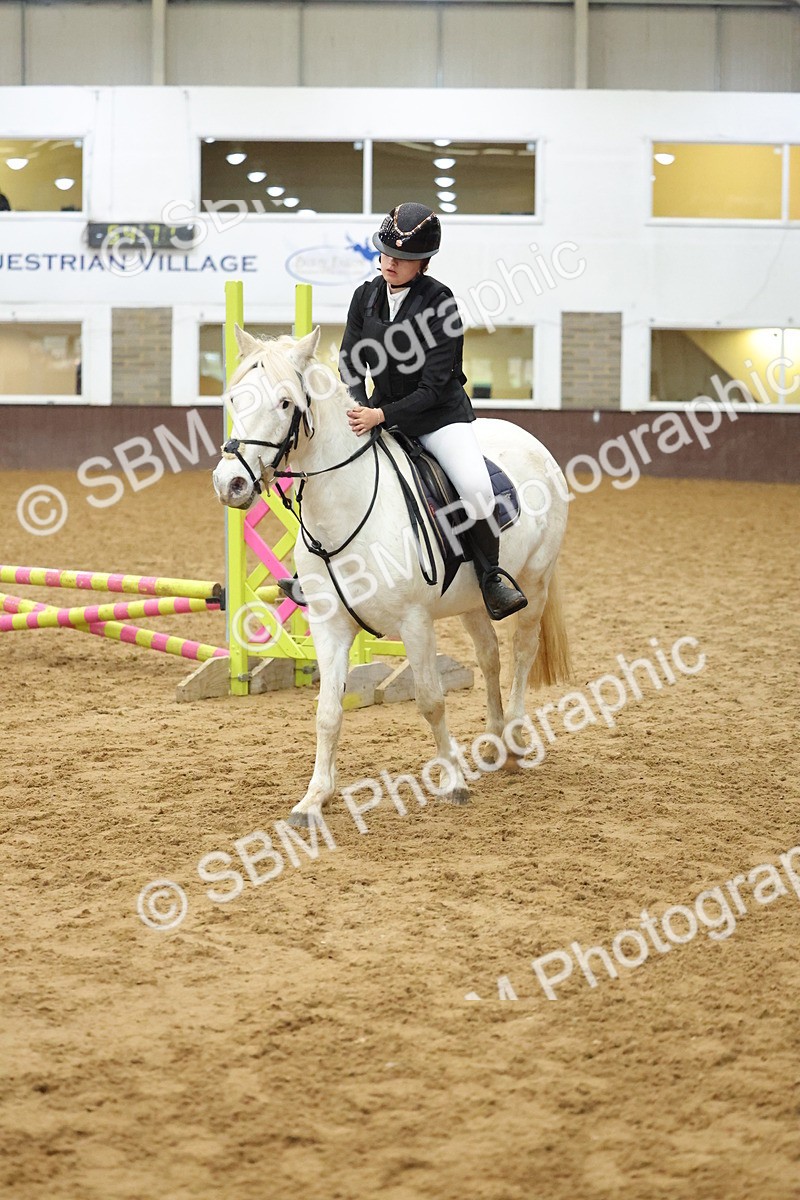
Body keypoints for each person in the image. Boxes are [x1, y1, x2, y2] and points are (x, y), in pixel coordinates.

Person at [338, 201, 527, 621]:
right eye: (386, 254)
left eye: (402, 258)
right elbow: (350, 361)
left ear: (422, 263)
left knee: (476, 489)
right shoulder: (365, 297)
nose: (390, 263)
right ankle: (320, 569)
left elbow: (434, 386)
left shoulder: (440, 304)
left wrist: (381, 417)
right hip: (378, 411)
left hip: (438, 418)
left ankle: (491, 577)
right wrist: (359, 405)